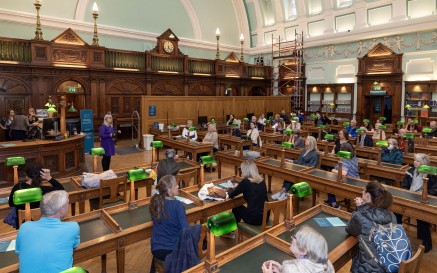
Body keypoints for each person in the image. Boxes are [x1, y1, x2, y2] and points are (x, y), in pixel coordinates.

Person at [16, 190, 80, 273]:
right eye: (67, 204)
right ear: (61, 210)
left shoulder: (24, 226)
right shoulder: (73, 227)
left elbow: (18, 251)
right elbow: (74, 247)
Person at [345, 181, 396, 273]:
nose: (361, 193)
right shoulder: (392, 215)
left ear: (368, 196)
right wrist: (362, 208)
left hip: (367, 268)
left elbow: (349, 229)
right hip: (389, 265)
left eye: (363, 191)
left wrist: (358, 208)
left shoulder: (359, 216)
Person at [149, 175, 189, 273]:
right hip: (172, 250)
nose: (178, 186)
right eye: (175, 185)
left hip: (156, 249)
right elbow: (185, 231)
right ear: (169, 190)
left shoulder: (155, 201)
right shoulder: (178, 206)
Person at [398, 153, 437, 252]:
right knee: (396, 211)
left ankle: (427, 243)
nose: (415, 162)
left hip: (424, 199)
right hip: (410, 197)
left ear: (424, 163)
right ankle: (398, 235)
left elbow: (434, 189)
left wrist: (424, 194)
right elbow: (404, 185)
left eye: (418, 161)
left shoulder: (432, 174)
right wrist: (406, 193)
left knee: (422, 218)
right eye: (414, 160)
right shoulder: (410, 171)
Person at [9, 162, 64, 228]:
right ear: (41, 176)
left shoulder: (17, 187)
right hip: (41, 223)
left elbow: (11, 204)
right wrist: (49, 178)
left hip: (22, 224)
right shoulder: (43, 190)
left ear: (26, 174)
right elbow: (61, 190)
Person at [261, 226, 334, 273]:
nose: (292, 238)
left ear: (303, 251)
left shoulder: (292, 270)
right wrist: (282, 269)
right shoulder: (327, 263)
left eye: (295, 237)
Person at [227, 160, 268, 233]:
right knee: (244, 208)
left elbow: (231, 195)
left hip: (254, 219)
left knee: (237, 207)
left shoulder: (245, 182)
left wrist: (231, 188)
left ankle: (230, 230)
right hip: (265, 216)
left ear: (245, 171)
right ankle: (231, 230)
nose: (241, 171)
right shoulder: (262, 181)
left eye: (241, 170)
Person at [326, 142, 359, 208]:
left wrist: (334, 170)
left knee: (329, 184)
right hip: (355, 178)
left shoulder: (346, 158)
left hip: (350, 180)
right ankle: (330, 200)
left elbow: (344, 173)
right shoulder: (353, 156)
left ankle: (334, 203)